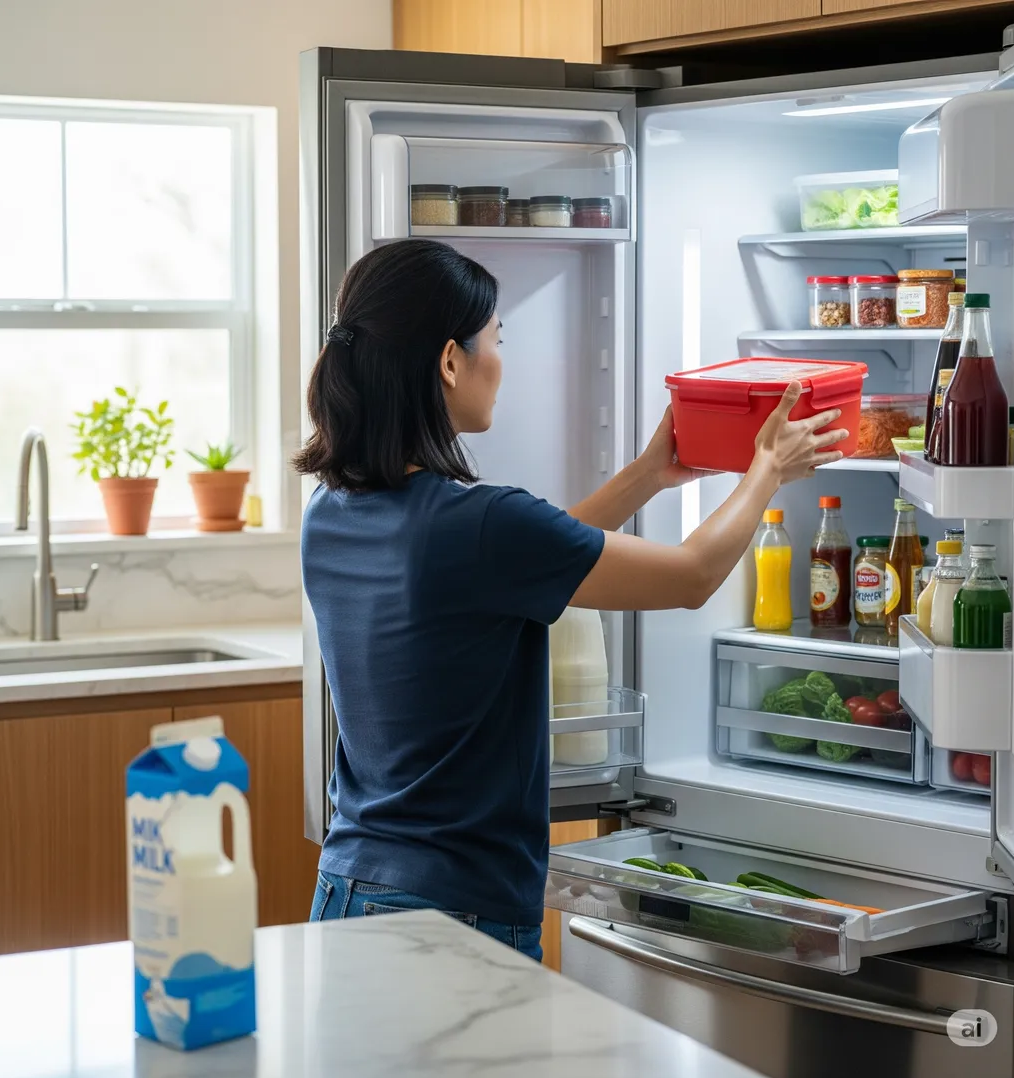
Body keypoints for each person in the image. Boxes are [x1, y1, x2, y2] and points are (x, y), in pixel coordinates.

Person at [295, 239, 846, 963]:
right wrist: (766, 471)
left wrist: (649, 475)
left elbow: (531, 557)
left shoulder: (333, 508)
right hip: (449, 913)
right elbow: (689, 577)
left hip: (349, 887)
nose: (501, 359)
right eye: (497, 337)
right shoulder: (479, 523)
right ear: (449, 362)